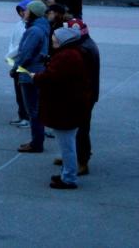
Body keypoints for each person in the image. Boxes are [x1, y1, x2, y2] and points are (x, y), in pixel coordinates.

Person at [33, 26, 92, 189]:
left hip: (65, 108)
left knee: (67, 146)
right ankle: (66, 172)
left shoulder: (66, 56)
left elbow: (51, 77)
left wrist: (36, 77)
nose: (52, 41)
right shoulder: (74, 53)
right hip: (71, 106)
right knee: (68, 143)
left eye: (55, 39)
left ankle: (69, 178)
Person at [14, 0, 51, 153]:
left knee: (33, 110)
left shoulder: (34, 30)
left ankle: (36, 143)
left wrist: (16, 68)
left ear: (34, 13)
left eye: (27, 10)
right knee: (35, 109)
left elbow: (26, 53)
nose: (24, 13)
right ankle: (36, 141)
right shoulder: (42, 27)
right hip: (36, 71)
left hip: (29, 73)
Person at [5, 0, 32, 128]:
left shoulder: (30, 27)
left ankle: (27, 117)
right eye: (20, 10)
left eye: (24, 10)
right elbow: (12, 40)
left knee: (25, 92)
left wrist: (9, 55)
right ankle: (21, 115)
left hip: (23, 63)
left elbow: (23, 46)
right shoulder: (19, 24)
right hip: (15, 61)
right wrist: (10, 54)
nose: (22, 13)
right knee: (18, 91)